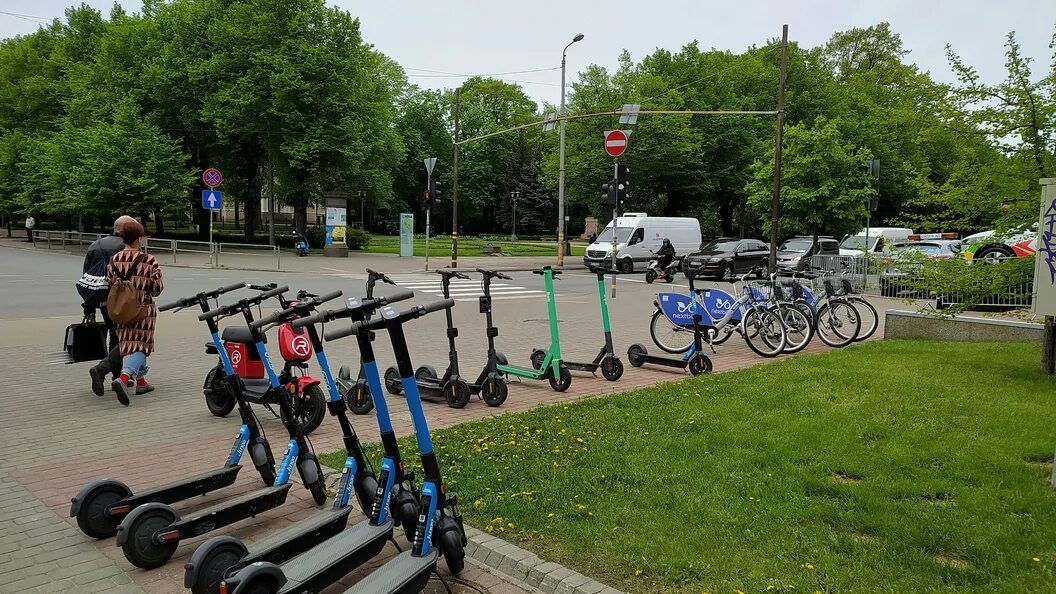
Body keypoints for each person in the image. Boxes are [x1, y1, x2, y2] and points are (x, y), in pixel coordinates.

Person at [107, 219, 164, 406]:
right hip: (143, 310)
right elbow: (157, 288)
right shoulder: (149, 260)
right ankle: (124, 379)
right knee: (142, 345)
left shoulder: (114, 259)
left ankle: (141, 382)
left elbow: (109, 281)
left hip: (121, 309)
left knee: (127, 343)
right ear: (139, 238)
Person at [82, 215, 135, 397]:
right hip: (120, 300)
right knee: (128, 338)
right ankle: (102, 368)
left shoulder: (95, 245)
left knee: (115, 333)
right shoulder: (125, 247)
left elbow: (86, 277)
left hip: (102, 299)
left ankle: (116, 375)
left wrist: (88, 305)